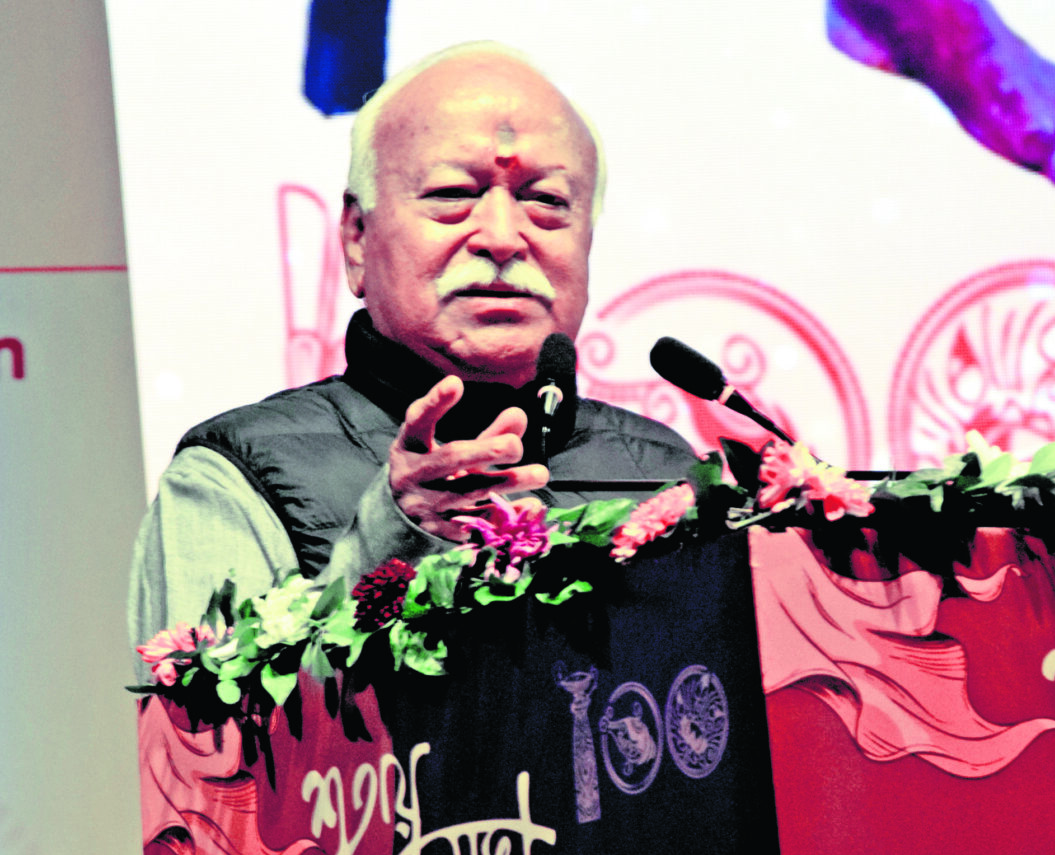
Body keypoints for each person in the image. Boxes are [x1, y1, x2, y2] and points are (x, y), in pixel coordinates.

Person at [128, 42, 698, 663]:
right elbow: (209, 725)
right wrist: (391, 541)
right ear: (356, 239)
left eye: (546, 200)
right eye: (452, 192)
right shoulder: (232, 481)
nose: (503, 237)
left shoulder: (666, 472)